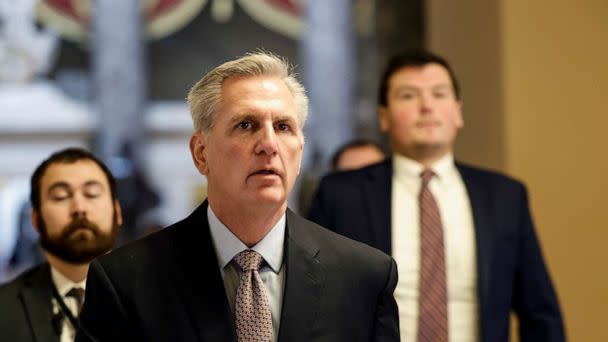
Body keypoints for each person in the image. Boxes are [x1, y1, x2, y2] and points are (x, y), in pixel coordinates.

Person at [76, 52, 399, 342]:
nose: (268, 144)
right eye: (246, 125)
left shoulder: (363, 277)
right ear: (201, 153)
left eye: (284, 127)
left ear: (300, 152)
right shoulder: (125, 281)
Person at [308, 51, 566, 342]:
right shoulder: (341, 195)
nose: (426, 106)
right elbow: (312, 304)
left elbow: (540, 313)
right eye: (408, 95)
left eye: (439, 94)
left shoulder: (504, 197)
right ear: (384, 117)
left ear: (458, 111)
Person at [0, 148, 123, 342]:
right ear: (36, 219)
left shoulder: (159, 296)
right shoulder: (4, 307)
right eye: (60, 196)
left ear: (117, 211)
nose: (79, 208)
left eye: (91, 194)